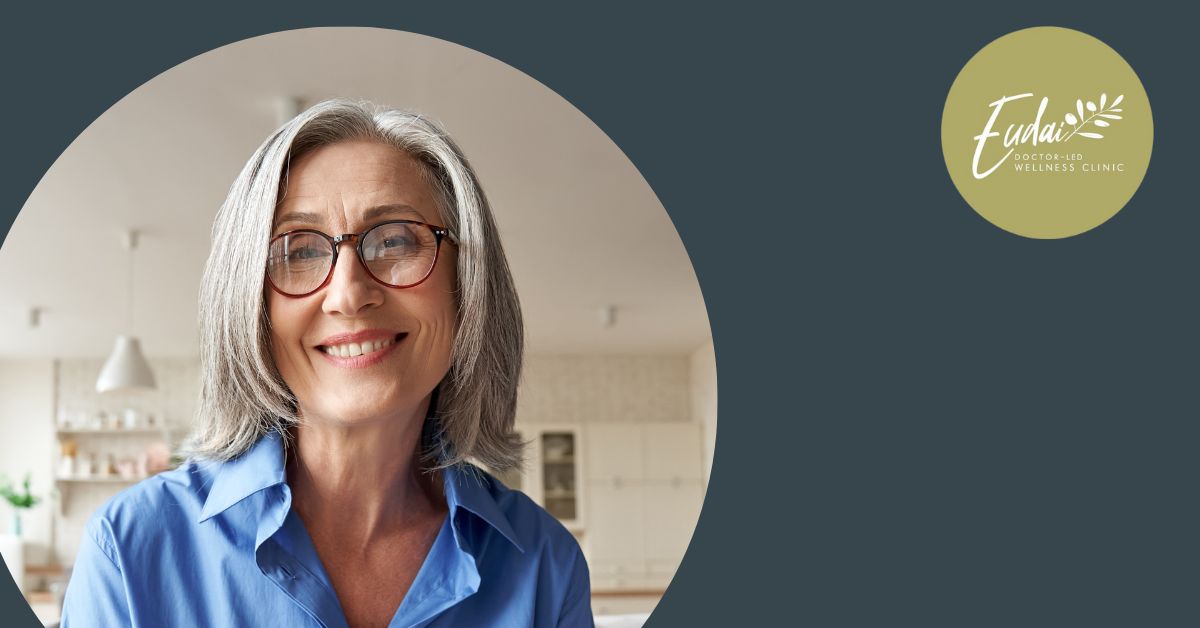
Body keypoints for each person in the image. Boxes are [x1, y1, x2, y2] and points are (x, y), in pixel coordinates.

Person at [61, 99, 593, 627]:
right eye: (298, 250)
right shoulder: (129, 550)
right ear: (248, 301)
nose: (348, 293)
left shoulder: (546, 565)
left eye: (396, 240)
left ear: (466, 283)